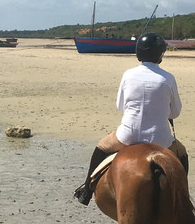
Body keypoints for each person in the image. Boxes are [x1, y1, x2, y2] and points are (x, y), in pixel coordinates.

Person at [73, 31, 187, 205]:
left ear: (139, 52)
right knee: (182, 153)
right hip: (161, 139)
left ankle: (87, 190)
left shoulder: (128, 75)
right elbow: (175, 113)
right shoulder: (168, 78)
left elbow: (120, 106)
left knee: (101, 146)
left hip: (128, 135)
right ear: (160, 54)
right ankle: (182, 198)